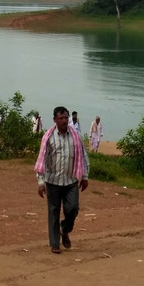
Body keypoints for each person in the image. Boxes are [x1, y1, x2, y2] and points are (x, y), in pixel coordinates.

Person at [34, 106, 89, 254]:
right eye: (61, 118)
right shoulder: (49, 137)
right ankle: (55, 244)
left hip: (71, 181)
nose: (64, 121)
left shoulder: (75, 136)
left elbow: (83, 156)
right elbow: (42, 160)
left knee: (73, 209)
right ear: (55, 120)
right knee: (53, 212)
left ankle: (65, 229)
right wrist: (40, 182)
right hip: (53, 181)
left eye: (66, 118)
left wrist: (84, 177)